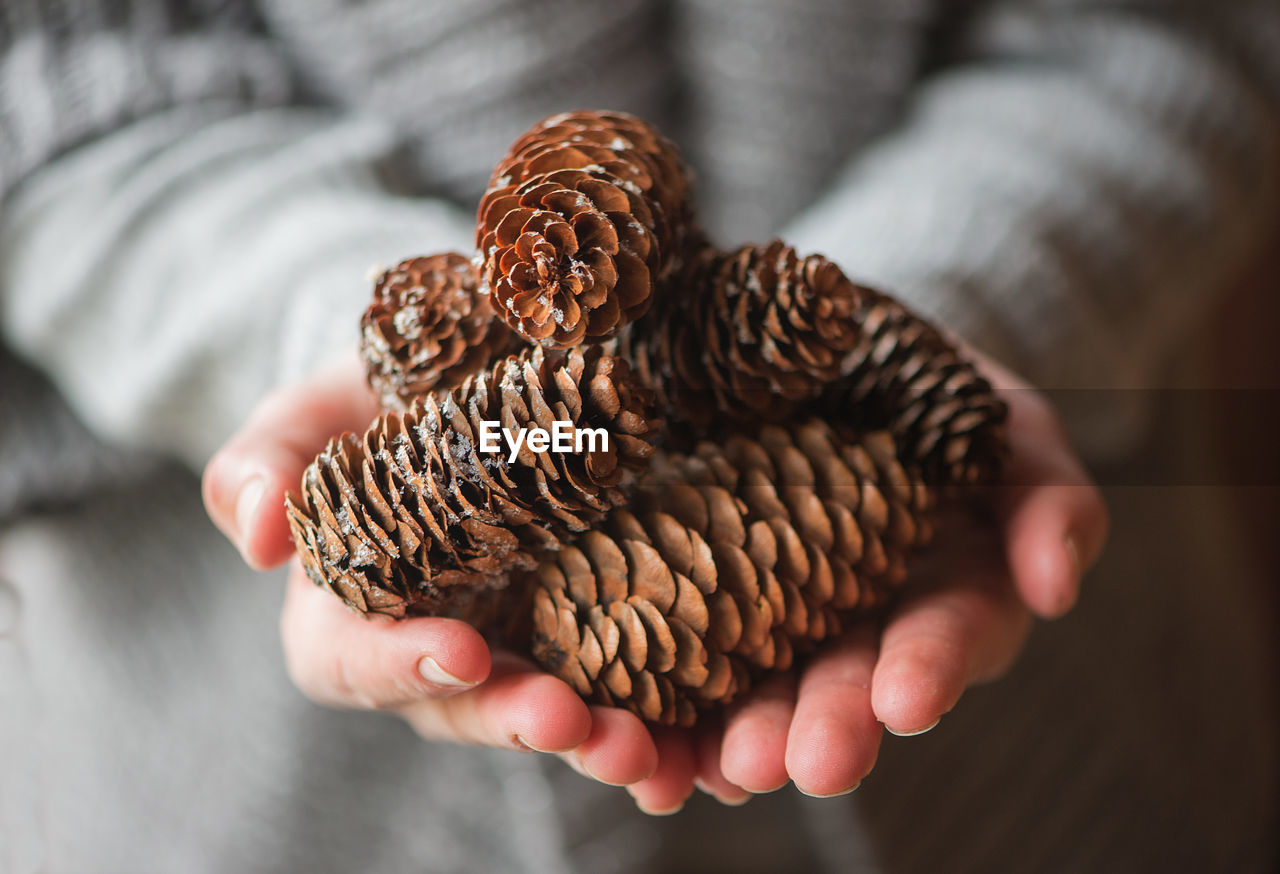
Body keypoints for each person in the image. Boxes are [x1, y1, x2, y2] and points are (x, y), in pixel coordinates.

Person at [1, 1, 1275, 871]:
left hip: (1085, 766)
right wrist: (305, 310)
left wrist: (923, 309)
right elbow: (48, 78)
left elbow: (1170, 25)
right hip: (240, 793)